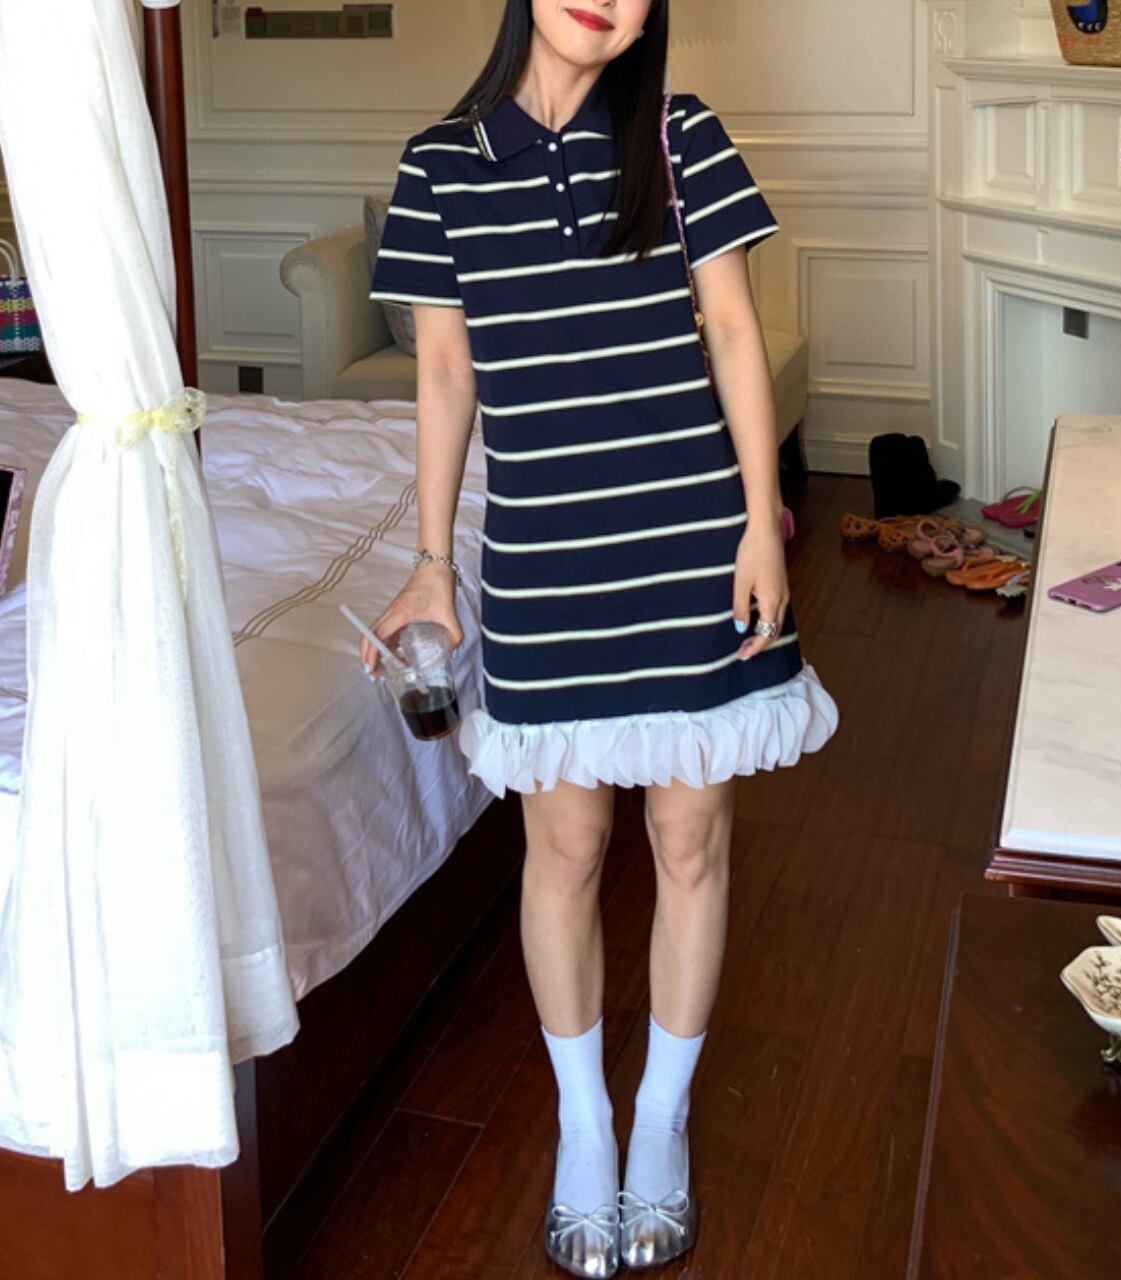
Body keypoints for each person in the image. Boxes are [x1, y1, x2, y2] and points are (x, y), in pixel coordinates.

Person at [361, 1, 838, 1273]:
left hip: (691, 546)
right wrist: (429, 567)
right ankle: (585, 1124)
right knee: (564, 849)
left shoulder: (680, 136)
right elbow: (444, 374)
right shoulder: (439, 165)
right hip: (545, 565)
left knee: (690, 841)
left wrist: (761, 522)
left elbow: (730, 329)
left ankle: (659, 1120)